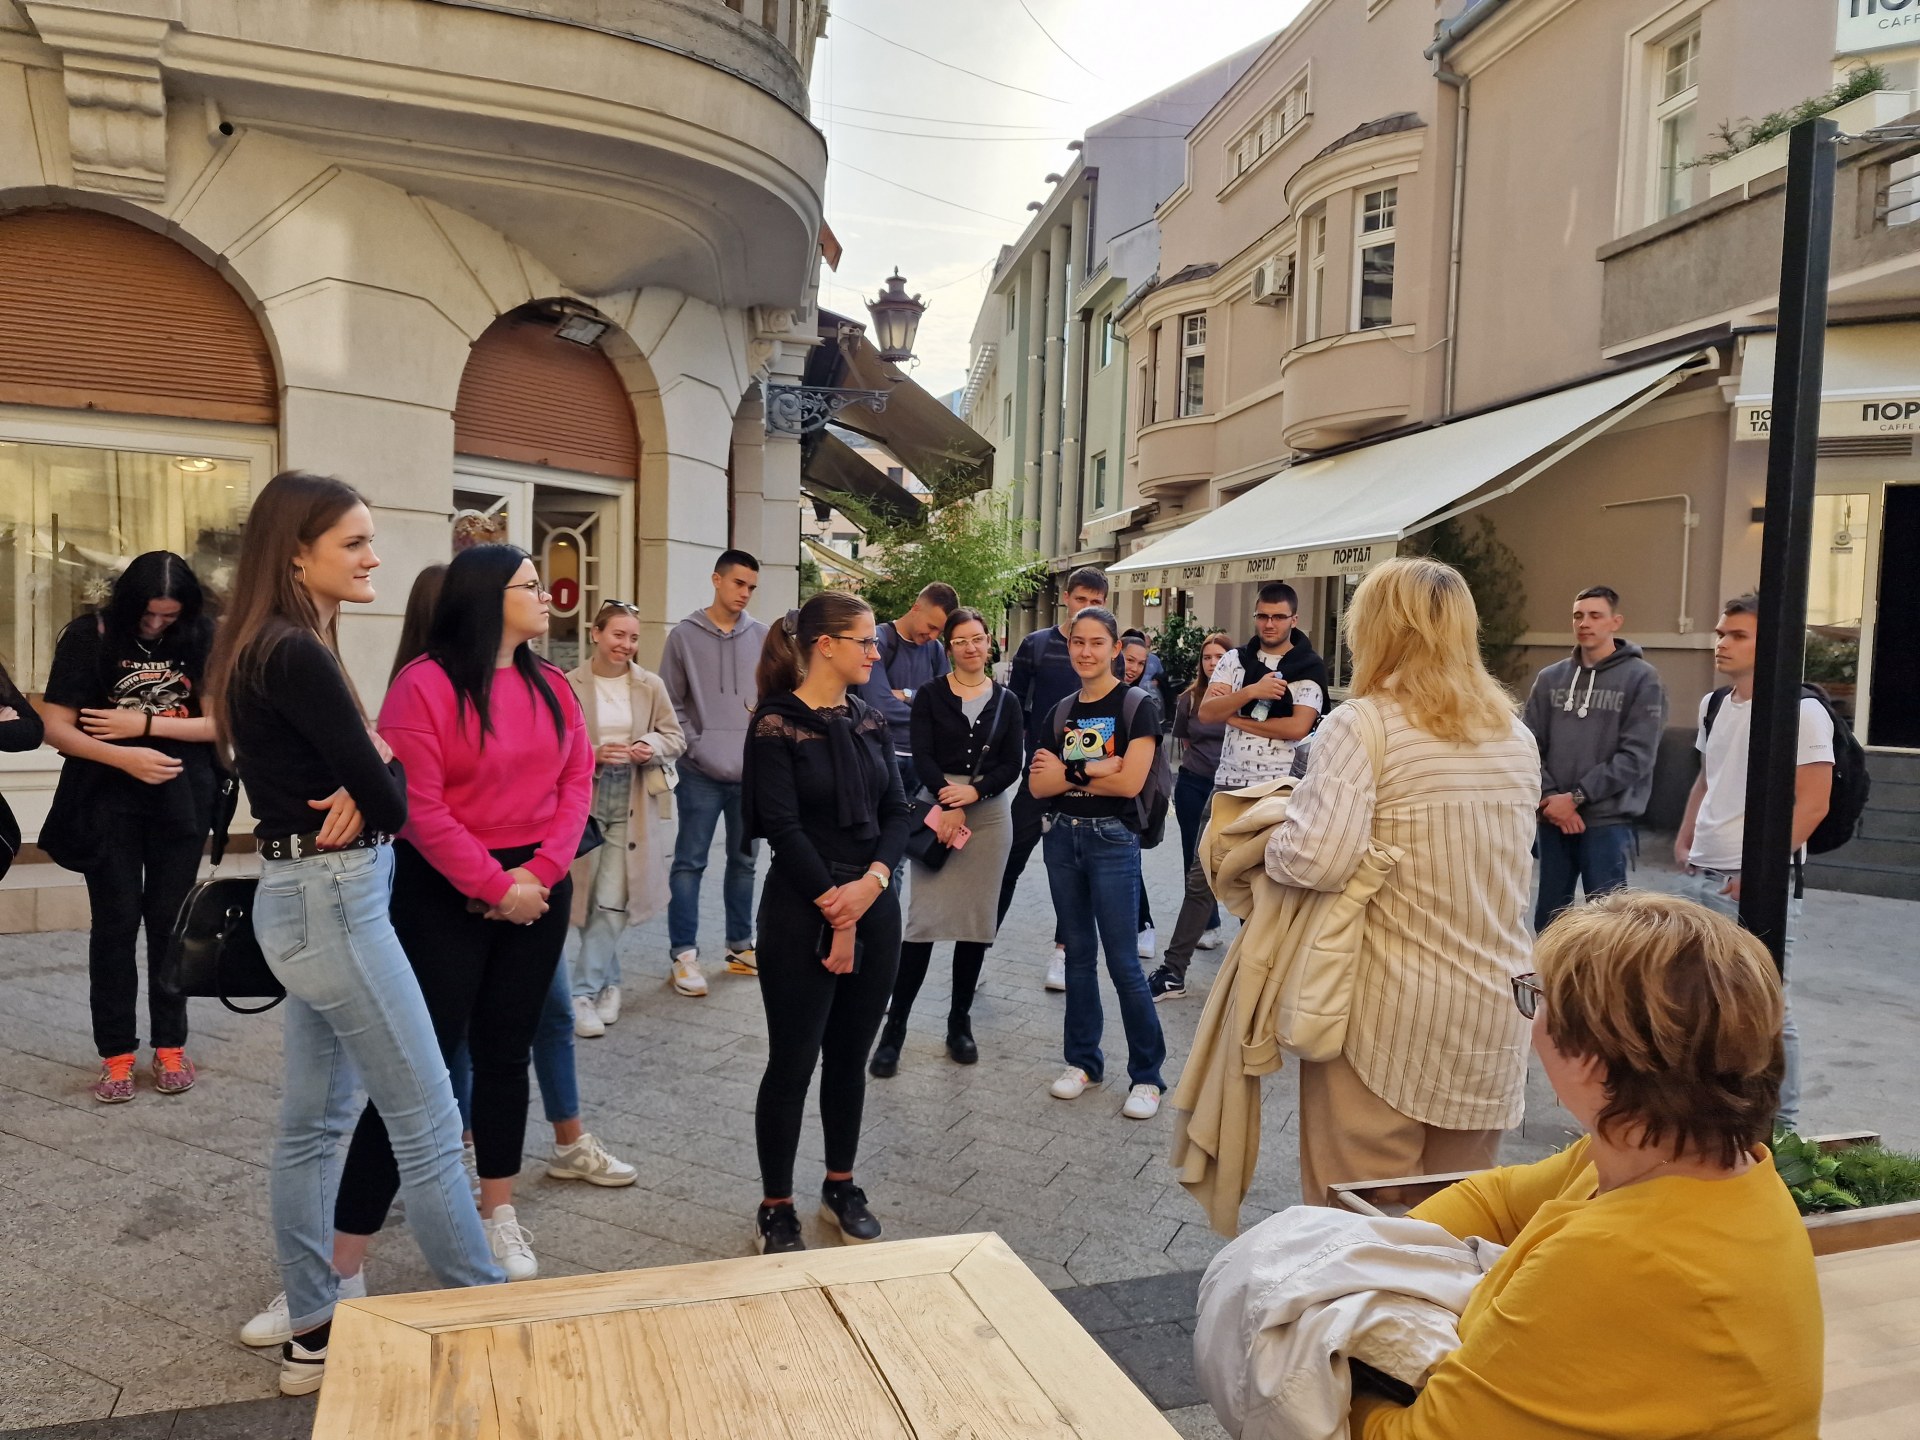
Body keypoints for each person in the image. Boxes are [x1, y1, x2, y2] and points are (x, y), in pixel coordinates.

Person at [209, 473, 502, 1395]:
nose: (375, 557)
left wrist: (374, 771)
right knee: (429, 1121)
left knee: (314, 1126)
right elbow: (392, 798)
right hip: (335, 901)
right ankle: (488, 1321)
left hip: (306, 897)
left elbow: (372, 782)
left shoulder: (265, 642)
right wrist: (380, 769)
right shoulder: (296, 650)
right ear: (297, 554)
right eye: (355, 543)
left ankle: (313, 1331)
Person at [1349, 890, 1821, 1438]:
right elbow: (1495, 1198)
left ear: (1594, 1061)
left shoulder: (1617, 1256)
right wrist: (1363, 1264)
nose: (1530, 1021)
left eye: (1539, 998)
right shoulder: (1668, 1154)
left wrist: (1329, 1364)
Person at [328, 544, 592, 1284]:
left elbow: (576, 783)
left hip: (538, 888)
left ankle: (498, 1212)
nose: (547, 598)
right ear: (486, 597)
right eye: (530, 586)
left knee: (507, 1055)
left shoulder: (553, 684)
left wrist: (538, 874)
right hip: (445, 892)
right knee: (421, 1066)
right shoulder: (424, 684)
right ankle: (340, 1262)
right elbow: (420, 806)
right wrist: (495, 885)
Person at [1266, 558, 1539, 1205]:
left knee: (1358, 1224)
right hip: (1494, 1013)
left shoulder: (1363, 724)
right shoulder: (1515, 735)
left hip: (1387, 1017)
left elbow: (1315, 859)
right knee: (1457, 1223)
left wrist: (1269, 832)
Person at [742, 592, 909, 1254]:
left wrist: (872, 884)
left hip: (874, 905)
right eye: (865, 641)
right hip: (799, 909)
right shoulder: (775, 725)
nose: (875, 652)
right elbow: (782, 827)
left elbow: (898, 811)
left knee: (848, 1057)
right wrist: (836, 905)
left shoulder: (870, 719)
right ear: (826, 645)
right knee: (792, 1060)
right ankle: (775, 1205)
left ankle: (840, 1184)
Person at [40, 552, 217, 1102]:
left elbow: (220, 724)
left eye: (169, 616)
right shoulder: (89, 635)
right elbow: (54, 726)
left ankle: (171, 1046)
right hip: (105, 800)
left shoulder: (202, 635)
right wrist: (124, 757)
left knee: (170, 923)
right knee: (115, 924)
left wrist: (142, 724)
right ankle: (116, 1055)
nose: (158, 624)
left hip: (182, 800)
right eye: (148, 615)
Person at [1672, 593, 1832, 1132]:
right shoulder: (1715, 704)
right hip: (1704, 872)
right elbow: (1707, 777)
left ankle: (1783, 1127)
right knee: (1706, 1001)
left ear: (1771, 645)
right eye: (1721, 633)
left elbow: (1814, 801)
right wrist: (1686, 838)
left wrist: (1760, 871)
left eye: (1737, 635)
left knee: (1767, 1002)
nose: (1722, 643)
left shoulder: (1801, 712)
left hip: (1759, 880)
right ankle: (1719, 1114)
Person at [1148, 586, 1329, 1003]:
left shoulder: (1308, 668)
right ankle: (1173, 972)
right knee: (1201, 880)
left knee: (1266, 887)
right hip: (1228, 786)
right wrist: (1251, 692)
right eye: (1263, 616)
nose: (1269, 624)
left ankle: (1258, 980)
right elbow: (1207, 712)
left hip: (1278, 793)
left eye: (1278, 617)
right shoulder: (1235, 660)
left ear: (1294, 620)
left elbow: (1297, 727)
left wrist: (1238, 718)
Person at [869, 607, 1024, 1077]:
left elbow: (1012, 763)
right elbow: (923, 754)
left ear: (989, 642)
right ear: (949, 647)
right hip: (938, 811)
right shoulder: (932, 695)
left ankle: (959, 1023)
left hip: (988, 817)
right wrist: (948, 798)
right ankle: (894, 1029)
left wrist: (975, 793)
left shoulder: (1008, 701)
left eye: (978, 638)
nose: (971, 647)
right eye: (960, 641)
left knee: (975, 925)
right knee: (923, 924)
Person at [1029, 606, 1168, 1121]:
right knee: (1078, 957)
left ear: (1114, 649)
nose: (1085, 652)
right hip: (1062, 838)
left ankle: (1148, 1076)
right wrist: (1094, 767)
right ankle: (1083, 1062)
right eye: (1077, 642)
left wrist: (1068, 770)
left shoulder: (1137, 706)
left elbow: (1130, 782)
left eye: (1096, 643)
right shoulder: (1061, 710)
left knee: (1123, 962)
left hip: (1112, 840)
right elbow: (1037, 784)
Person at [565, 599, 687, 1033]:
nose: (626, 644)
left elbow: (675, 737)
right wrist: (592, 754)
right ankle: (609, 984)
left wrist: (648, 746)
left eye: (633, 637)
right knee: (586, 898)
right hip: (584, 799)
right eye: (618, 634)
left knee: (613, 898)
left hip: (632, 799)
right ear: (596, 633)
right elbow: (554, 743)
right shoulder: (568, 684)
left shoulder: (650, 685)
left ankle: (580, 993)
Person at [1522, 585, 1667, 931]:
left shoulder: (1642, 679)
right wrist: (1551, 799)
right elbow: (1528, 745)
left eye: (1595, 615)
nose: (1584, 623)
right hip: (1553, 819)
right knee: (1550, 919)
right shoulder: (1550, 679)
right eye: (1578, 615)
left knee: (1608, 924)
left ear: (1616, 622)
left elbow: (1637, 756)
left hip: (1607, 822)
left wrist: (1576, 798)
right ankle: (1549, 970)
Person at [1000, 566, 1113, 992]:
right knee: (1008, 860)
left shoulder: (1105, 650)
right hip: (1038, 772)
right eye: (1081, 599)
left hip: (1086, 778)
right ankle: (980, 941)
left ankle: (1064, 952)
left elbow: (1110, 709)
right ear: (1066, 598)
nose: (1087, 607)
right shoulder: (1036, 645)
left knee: (1076, 870)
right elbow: (1013, 709)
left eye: (1095, 601)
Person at [658, 549, 766, 997]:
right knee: (689, 862)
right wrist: (697, 745)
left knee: (745, 863)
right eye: (739, 583)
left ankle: (740, 946)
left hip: (750, 774)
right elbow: (669, 701)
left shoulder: (762, 636)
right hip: (698, 772)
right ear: (716, 580)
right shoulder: (683, 636)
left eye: (751, 587)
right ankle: (684, 956)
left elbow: (772, 700)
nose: (745, 593)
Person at [853, 581, 957, 800]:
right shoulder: (878, 642)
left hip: (924, 759)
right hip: (882, 753)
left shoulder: (935, 650)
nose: (933, 636)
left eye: (940, 631)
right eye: (931, 626)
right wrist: (929, 714)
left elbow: (948, 705)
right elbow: (879, 707)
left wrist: (907, 695)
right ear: (915, 608)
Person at [1168, 631, 1232, 958]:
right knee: (1194, 855)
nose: (1212, 663)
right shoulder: (1190, 699)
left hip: (1231, 787)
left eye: (1219, 657)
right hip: (1193, 783)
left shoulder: (1243, 696)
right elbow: (1185, 741)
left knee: (1231, 857)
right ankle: (1208, 925)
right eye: (1207, 657)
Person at [1120, 629, 1164, 958]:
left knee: (1130, 862)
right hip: (1095, 795)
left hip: (1131, 795)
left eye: (1140, 663)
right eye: (1128, 660)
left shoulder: (1141, 701)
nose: (1133, 668)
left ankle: (1144, 925)